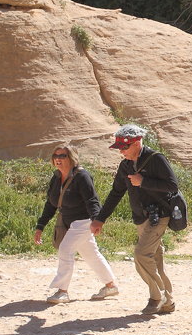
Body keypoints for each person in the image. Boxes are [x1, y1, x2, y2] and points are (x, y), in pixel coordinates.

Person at [91, 124, 179, 315]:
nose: (122, 151)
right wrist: (100, 219)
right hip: (141, 218)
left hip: (159, 216)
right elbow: (116, 193)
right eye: (120, 148)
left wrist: (144, 182)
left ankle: (157, 297)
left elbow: (172, 185)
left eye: (125, 147)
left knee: (141, 255)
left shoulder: (156, 159)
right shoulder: (125, 166)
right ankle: (167, 303)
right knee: (154, 260)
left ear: (137, 142)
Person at [34, 144, 118, 304]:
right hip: (67, 221)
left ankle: (62, 291)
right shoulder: (57, 177)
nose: (58, 159)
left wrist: (96, 220)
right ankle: (111, 285)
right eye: (55, 156)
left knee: (65, 250)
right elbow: (51, 204)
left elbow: (92, 200)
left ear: (72, 158)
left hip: (84, 221)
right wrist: (40, 226)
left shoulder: (82, 176)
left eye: (62, 156)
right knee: (91, 254)